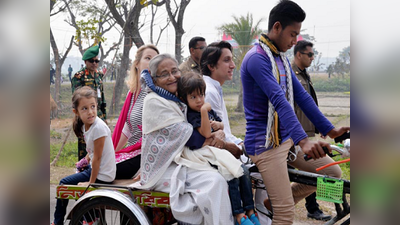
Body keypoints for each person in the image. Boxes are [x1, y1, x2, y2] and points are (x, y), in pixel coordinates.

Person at [240, 1, 350, 224]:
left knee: (333, 174)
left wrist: (331, 130)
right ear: (277, 27)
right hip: (266, 145)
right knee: (285, 215)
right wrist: (303, 141)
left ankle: (283, 199)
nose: (294, 41)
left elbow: (301, 97)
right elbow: (280, 101)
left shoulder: (280, 59)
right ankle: (283, 205)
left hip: (286, 141)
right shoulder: (257, 58)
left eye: (297, 35)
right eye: (293, 34)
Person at [139, 53, 233, 225]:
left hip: (184, 160)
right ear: (154, 79)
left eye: (174, 71)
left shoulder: (179, 97)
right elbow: (190, 136)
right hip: (164, 166)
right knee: (215, 181)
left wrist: (219, 133)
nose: (171, 77)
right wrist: (214, 136)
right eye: (164, 74)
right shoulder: (154, 101)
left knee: (227, 172)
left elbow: (212, 124)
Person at [177, 72, 260, 225]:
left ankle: (250, 210)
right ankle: (239, 215)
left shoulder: (205, 109)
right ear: (184, 99)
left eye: (201, 95)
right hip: (204, 154)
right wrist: (204, 112)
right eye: (193, 97)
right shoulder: (192, 114)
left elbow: (220, 124)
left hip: (216, 152)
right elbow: (206, 133)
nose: (199, 100)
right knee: (230, 175)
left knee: (244, 171)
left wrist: (218, 126)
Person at [291, 40, 341, 221]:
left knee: (312, 172)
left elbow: (310, 105)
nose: (313, 58)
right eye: (310, 54)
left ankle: (313, 207)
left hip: (306, 131)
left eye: (313, 55)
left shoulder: (303, 75)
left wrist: (324, 128)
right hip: (296, 134)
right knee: (313, 173)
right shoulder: (292, 76)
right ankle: (306, 206)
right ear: (298, 54)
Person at [51, 86, 116, 225]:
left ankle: (59, 222)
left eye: (93, 106)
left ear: (97, 105)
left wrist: (90, 183)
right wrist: (85, 160)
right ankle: (89, 216)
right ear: (76, 112)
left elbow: (98, 158)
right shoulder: (87, 126)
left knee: (63, 184)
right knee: (75, 181)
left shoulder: (98, 127)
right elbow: (93, 152)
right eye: (85, 108)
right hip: (97, 170)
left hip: (102, 175)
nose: (90, 112)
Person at [112, 44, 159, 179]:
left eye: (156, 60)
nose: (152, 63)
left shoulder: (153, 93)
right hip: (131, 153)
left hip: (144, 156)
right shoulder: (131, 93)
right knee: (96, 165)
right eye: (148, 58)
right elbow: (127, 129)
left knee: (100, 170)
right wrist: (112, 152)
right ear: (137, 64)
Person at [200, 41, 243, 158]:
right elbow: (218, 136)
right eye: (226, 60)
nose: (233, 65)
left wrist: (239, 142)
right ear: (211, 66)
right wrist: (240, 147)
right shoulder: (209, 92)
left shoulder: (215, 87)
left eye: (232, 60)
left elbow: (225, 131)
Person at [71, 43, 107, 161]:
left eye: (97, 61)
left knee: (99, 141)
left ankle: (97, 167)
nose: (95, 64)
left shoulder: (99, 75)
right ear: (86, 61)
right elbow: (76, 99)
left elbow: (101, 96)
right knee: (85, 143)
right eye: (92, 61)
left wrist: (104, 116)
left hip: (98, 114)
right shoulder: (79, 77)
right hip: (85, 115)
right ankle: (82, 168)